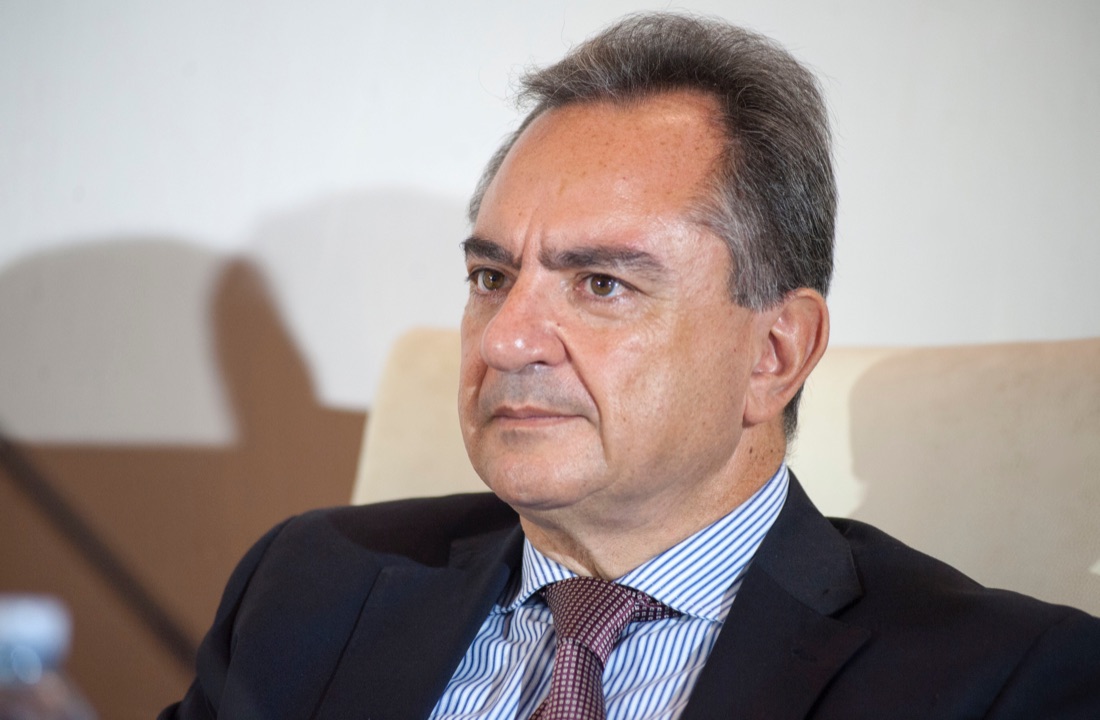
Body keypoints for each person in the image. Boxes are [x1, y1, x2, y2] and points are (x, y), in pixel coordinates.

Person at [161, 12, 1100, 720]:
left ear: (775, 353)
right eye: (492, 277)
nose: (505, 341)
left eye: (602, 284)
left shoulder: (1004, 680)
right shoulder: (311, 586)